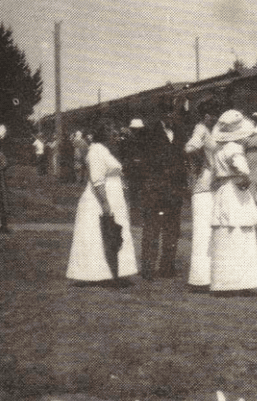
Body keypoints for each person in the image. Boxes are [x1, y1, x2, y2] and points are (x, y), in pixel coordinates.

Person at [66, 122, 138, 283]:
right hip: (99, 200)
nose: (116, 137)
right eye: (112, 134)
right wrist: (105, 203)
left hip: (113, 196)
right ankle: (97, 274)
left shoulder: (104, 150)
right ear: (104, 135)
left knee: (111, 234)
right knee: (99, 236)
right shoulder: (96, 151)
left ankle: (113, 272)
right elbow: (97, 180)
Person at [207, 110, 257, 294]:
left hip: (224, 189)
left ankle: (224, 282)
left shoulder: (219, 148)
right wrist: (245, 177)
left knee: (225, 232)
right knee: (239, 234)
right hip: (235, 191)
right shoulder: (234, 148)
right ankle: (239, 281)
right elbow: (243, 169)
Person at [137, 109, 188, 280]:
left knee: (172, 230)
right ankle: (148, 268)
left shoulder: (180, 133)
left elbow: (183, 159)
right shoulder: (150, 133)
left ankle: (167, 267)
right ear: (162, 115)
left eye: (174, 114)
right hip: (155, 190)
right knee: (152, 230)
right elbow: (145, 162)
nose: (172, 117)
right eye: (169, 114)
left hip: (175, 190)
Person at [184, 102, 219, 289]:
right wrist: (201, 165)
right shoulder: (201, 129)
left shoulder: (210, 130)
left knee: (211, 232)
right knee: (203, 233)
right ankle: (199, 280)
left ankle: (211, 276)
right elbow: (190, 148)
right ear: (205, 115)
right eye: (213, 114)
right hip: (204, 187)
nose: (215, 118)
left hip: (212, 187)